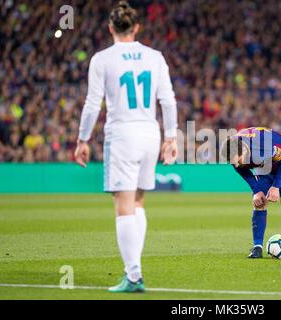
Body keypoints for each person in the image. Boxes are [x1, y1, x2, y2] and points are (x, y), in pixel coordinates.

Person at [74, 1, 178, 293]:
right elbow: (168, 100)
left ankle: (133, 276)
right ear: (136, 28)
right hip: (150, 134)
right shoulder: (154, 56)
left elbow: (93, 103)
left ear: (110, 28)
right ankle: (133, 271)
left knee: (123, 207)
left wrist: (83, 140)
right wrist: (171, 138)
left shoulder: (102, 59)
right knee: (138, 203)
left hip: (122, 135)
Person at [220, 127, 281, 259]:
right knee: (259, 202)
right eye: (233, 163)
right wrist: (256, 190)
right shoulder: (233, 150)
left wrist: (275, 186)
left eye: (239, 160)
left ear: (244, 150)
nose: (237, 164)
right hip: (264, 165)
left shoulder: (263, 146)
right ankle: (257, 247)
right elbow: (241, 169)